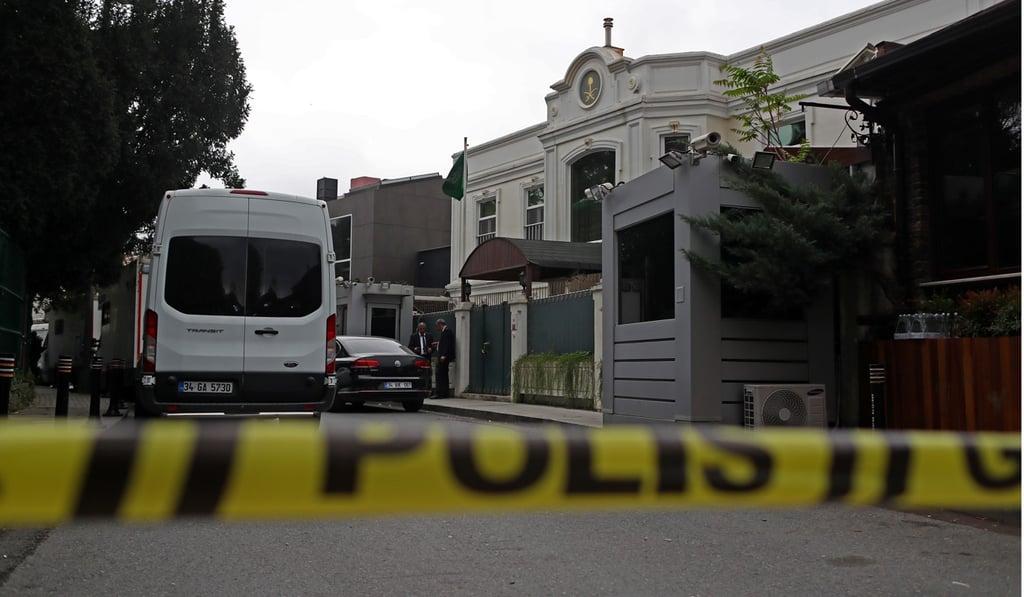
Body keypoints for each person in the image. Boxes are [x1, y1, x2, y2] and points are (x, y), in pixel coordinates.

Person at [433, 318, 455, 398]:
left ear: (440, 324)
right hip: (445, 357)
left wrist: (444, 355)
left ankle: (439, 393)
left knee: (440, 374)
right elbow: (445, 343)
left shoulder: (446, 331)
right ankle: (445, 393)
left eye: (437, 326)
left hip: (444, 357)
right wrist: (438, 343)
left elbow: (446, 344)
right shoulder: (446, 331)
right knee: (444, 375)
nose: (436, 328)